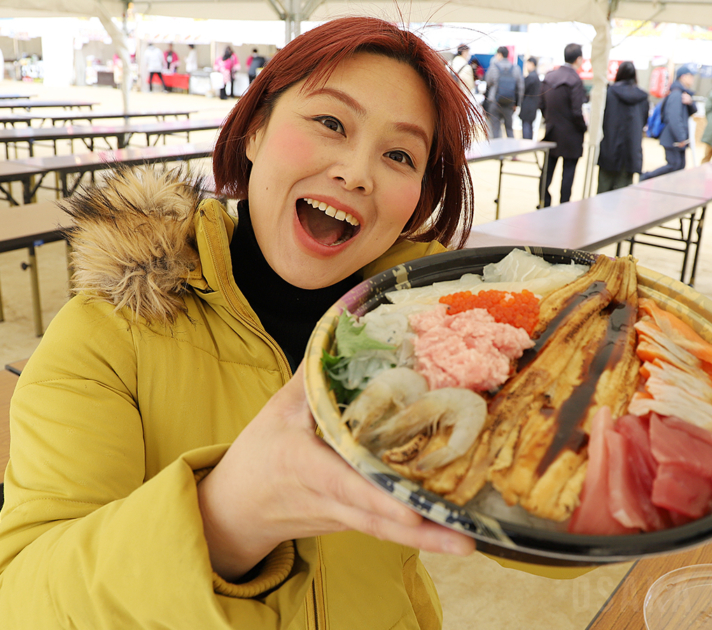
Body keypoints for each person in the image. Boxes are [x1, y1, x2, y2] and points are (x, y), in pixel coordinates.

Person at [0, 17, 590, 628]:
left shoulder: (435, 334)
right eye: (330, 122)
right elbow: (22, 598)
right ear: (254, 130)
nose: (358, 172)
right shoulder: (106, 333)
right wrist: (225, 518)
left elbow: (560, 528)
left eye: (399, 154)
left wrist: (590, 417)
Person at [540, 43, 587, 205]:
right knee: (568, 173)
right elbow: (576, 111)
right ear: (579, 59)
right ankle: (563, 206)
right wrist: (583, 127)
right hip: (571, 135)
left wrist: (550, 120)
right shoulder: (575, 80)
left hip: (551, 131)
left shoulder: (549, 76)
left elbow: (541, 104)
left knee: (547, 171)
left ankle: (543, 202)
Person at [597, 61, 649, 193]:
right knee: (623, 196)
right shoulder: (642, 97)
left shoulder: (610, 92)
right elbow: (643, 121)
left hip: (610, 147)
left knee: (602, 194)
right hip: (631, 151)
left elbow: (602, 119)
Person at [640, 65, 697, 182]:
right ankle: (647, 177)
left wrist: (690, 103)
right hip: (673, 138)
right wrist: (681, 138)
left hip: (676, 138)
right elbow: (674, 118)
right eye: (690, 76)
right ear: (683, 77)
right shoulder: (676, 94)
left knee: (679, 166)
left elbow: (692, 112)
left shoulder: (683, 94)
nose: (692, 79)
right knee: (674, 165)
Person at [484, 46, 524, 139]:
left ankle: (497, 153)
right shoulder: (516, 69)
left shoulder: (493, 68)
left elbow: (488, 82)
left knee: (495, 130)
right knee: (509, 129)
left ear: (500, 54)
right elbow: (520, 87)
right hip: (509, 103)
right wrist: (517, 104)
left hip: (495, 102)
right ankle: (513, 152)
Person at [519, 56, 541, 140]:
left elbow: (523, 90)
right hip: (533, 105)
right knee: (529, 125)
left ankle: (526, 144)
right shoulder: (536, 76)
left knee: (526, 125)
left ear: (532, 64)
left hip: (528, 105)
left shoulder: (531, 77)